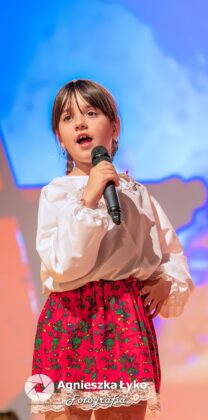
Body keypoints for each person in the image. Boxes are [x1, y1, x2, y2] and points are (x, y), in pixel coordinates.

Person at [31, 80, 194, 419]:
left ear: (115, 127)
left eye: (91, 113)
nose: (80, 123)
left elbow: (167, 251)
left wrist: (165, 281)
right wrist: (89, 199)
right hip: (70, 320)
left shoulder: (135, 193)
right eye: (68, 118)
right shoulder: (57, 194)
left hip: (123, 319)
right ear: (59, 137)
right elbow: (64, 263)